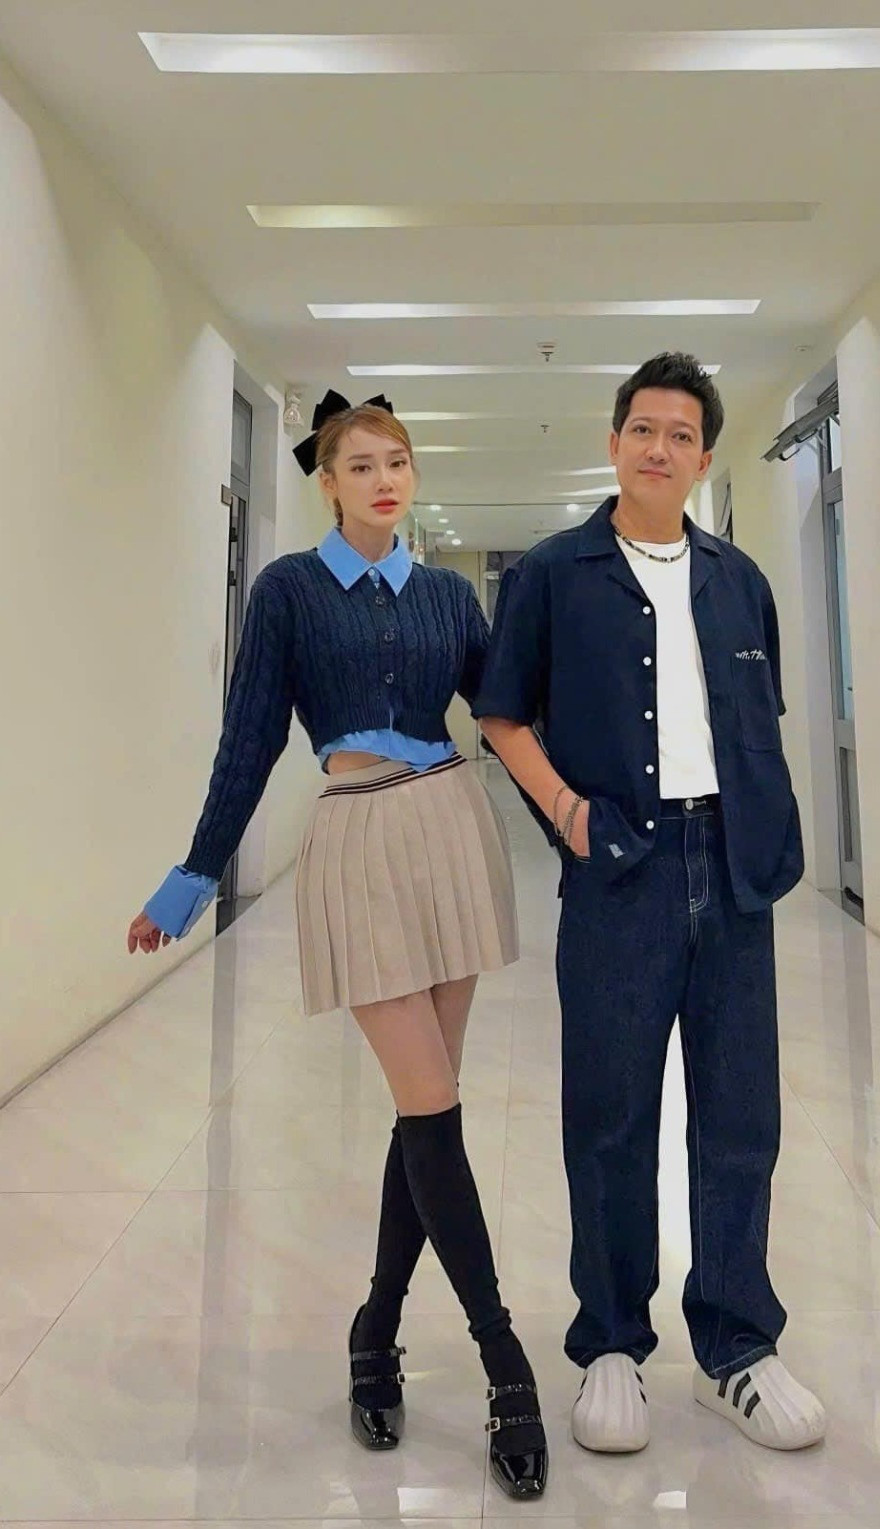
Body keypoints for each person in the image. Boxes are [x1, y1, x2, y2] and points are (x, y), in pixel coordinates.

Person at [126, 390, 548, 1499]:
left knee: (426, 1108)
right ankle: (505, 1360)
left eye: (397, 461)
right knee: (430, 1106)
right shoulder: (287, 592)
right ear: (328, 482)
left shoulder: (448, 594)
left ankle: (376, 1329)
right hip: (357, 839)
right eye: (361, 464)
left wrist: (580, 816)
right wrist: (192, 876)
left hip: (453, 829)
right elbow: (250, 739)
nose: (384, 479)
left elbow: (507, 711)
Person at [475, 353, 826, 1455]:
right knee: (611, 1116)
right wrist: (569, 815)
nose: (659, 447)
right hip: (620, 869)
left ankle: (737, 1346)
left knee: (740, 1117)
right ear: (615, 441)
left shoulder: (738, 578)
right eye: (642, 428)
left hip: (734, 869)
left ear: (704, 458)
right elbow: (501, 714)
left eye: (680, 434)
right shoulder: (554, 573)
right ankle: (613, 1341)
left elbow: (759, 716)